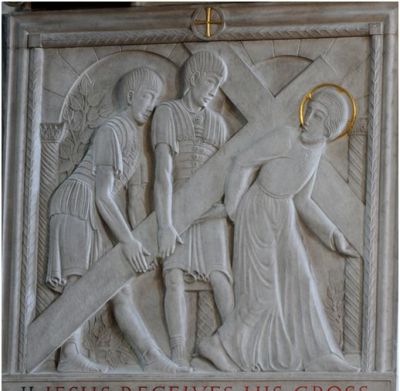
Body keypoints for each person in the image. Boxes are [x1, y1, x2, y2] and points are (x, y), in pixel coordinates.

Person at [198, 86, 359, 372]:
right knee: (262, 294)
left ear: (329, 130)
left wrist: (333, 236)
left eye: (318, 116)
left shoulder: (316, 150)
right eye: (309, 110)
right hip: (258, 211)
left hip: (283, 213)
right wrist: (234, 207)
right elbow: (243, 162)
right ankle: (218, 345)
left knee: (302, 281)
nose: (308, 118)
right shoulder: (286, 137)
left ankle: (320, 355)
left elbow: (302, 200)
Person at [46, 67, 187, 373]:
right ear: (132, 96)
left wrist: (140, 243)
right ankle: (68, 355)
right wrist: (128, 241)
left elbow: (132, 200)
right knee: (78, 282)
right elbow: (102, 194)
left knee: (117, 288)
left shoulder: (132, 139)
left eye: (156, 98)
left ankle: (151, 358)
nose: (152, 104)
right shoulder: (112, 129)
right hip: (78, 202)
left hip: (98, 210)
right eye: (149, 96)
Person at [152, 51, 235, 367]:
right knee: (173, 277)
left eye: (219, 84)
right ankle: (177, 356)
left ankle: (232, 350)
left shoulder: (218, 124)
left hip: (211, 213)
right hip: (178, 211)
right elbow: (162, 174)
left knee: (220, 277)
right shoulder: (167, 113)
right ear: (195, 77)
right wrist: (165, 224)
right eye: (213, 81)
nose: (215, 89)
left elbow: (225, 176)